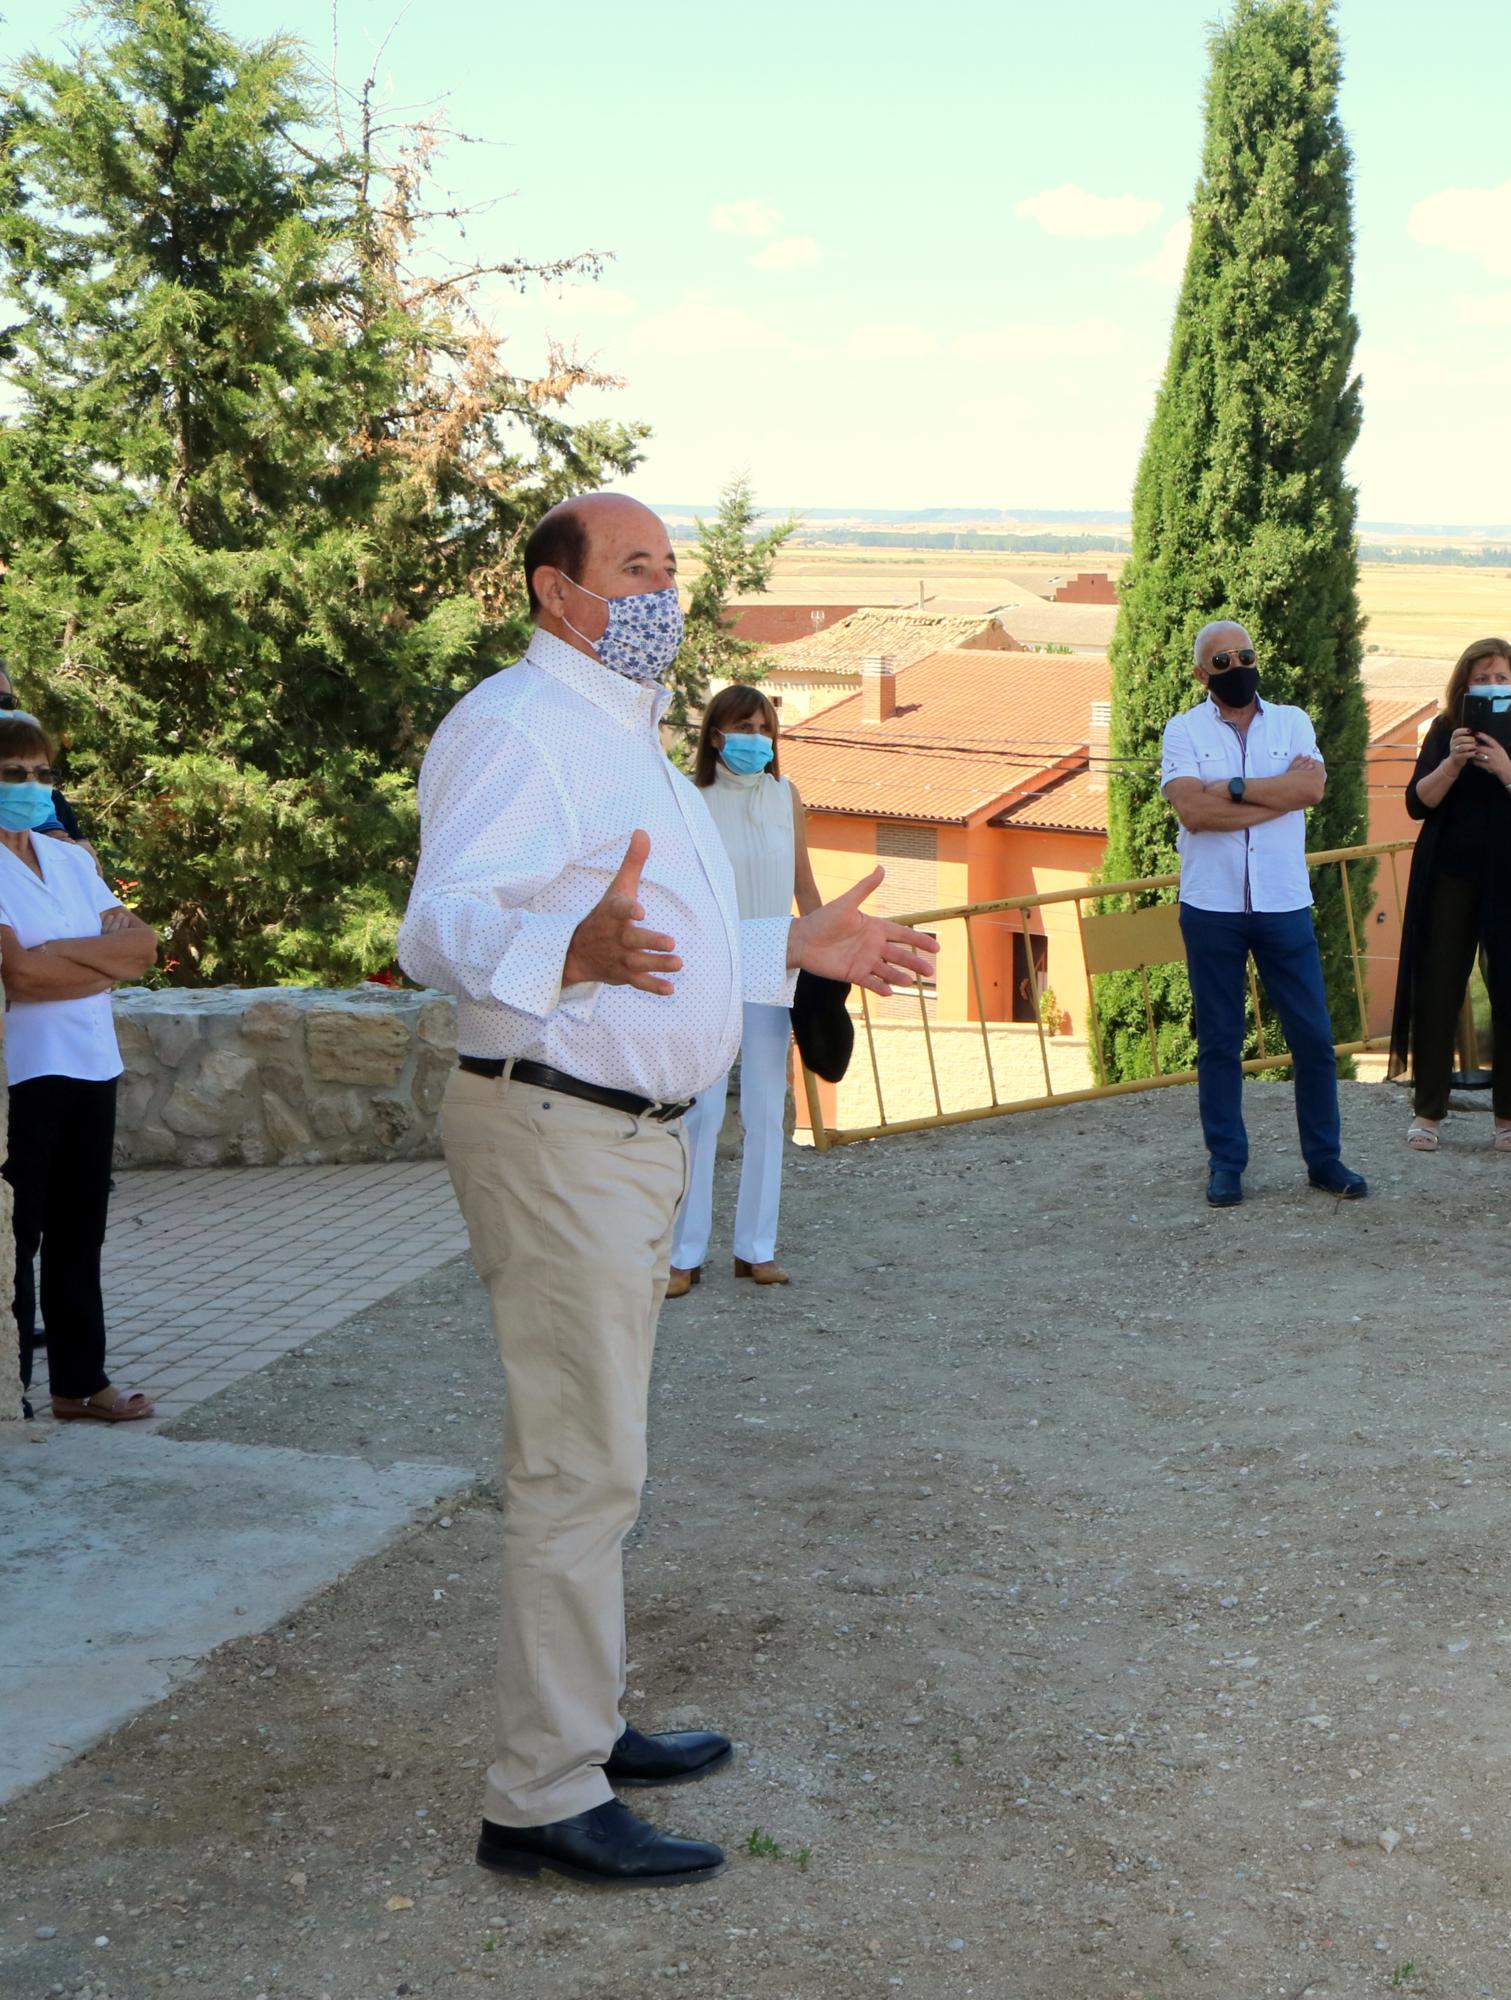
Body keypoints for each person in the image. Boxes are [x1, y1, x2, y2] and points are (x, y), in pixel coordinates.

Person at [398, 492, 936, 1890]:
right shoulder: (516, 729)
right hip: (560, 1134)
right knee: (581, 1470)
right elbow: (439, 925)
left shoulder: (624, 741)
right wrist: (559, 949)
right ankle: (539, 1794)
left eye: (670, 568)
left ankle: (582, 1724)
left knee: (604, 1458)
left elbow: (672, 946)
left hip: (629, 1141)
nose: (664, 591)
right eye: (635, 568)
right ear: (555, 592)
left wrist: (793, 946)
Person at [1158, 618, 1366, 1208]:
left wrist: (1230, 788)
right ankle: (1226, 1163)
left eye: (1243, 655)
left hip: (1283, 903)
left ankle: (1325, 1161)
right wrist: (1272, 792)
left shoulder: (1294, 721)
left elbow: (1312, 790)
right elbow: (1193, 815)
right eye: (1221, 661)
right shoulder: (1183, 730)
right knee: (1220, 1042)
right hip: (1211, 906)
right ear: (1202, 674)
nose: (1236, 667)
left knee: (1313, 1038)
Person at [0, 709, 157, 1424]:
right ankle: (16, 1386)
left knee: (79, 1229)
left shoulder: (68, 857)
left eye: (40, 774)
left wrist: (58, 957)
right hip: (25, 1072)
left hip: (93, 1063)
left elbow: (142, 949)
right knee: (18, 1236)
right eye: (14, 775)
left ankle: (78, 1382)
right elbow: (17, 980)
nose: (32, 786)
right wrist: (98, 959)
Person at [667, 685, 823, 1295]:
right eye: (742, 727)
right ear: (714, 735)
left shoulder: (787, 796)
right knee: (702, 1113)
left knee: (764, 1109)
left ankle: (755, 1250)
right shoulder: (690, 799)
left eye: (764, 728)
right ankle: (683, 1256)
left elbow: (805, 885)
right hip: (708, 961)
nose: (755, 738)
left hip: (774, 959)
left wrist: (826, 951)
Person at [1389, 637, 1511, 1153]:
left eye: (1501, 679)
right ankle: (1429, 1113)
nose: (1491, 687)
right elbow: (1419, 803)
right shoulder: (1444, 730)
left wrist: (1505, 767)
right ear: (1464, 685)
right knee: (1438, 988)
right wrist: (1453, 762)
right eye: (1481, 678)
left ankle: (1509, 1116)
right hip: (1449, 876)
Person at [0, 663, 84, 842]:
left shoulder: (47, 799)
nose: (31, 782)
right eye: (13, 773)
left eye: (4, 701)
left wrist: (56, 834)